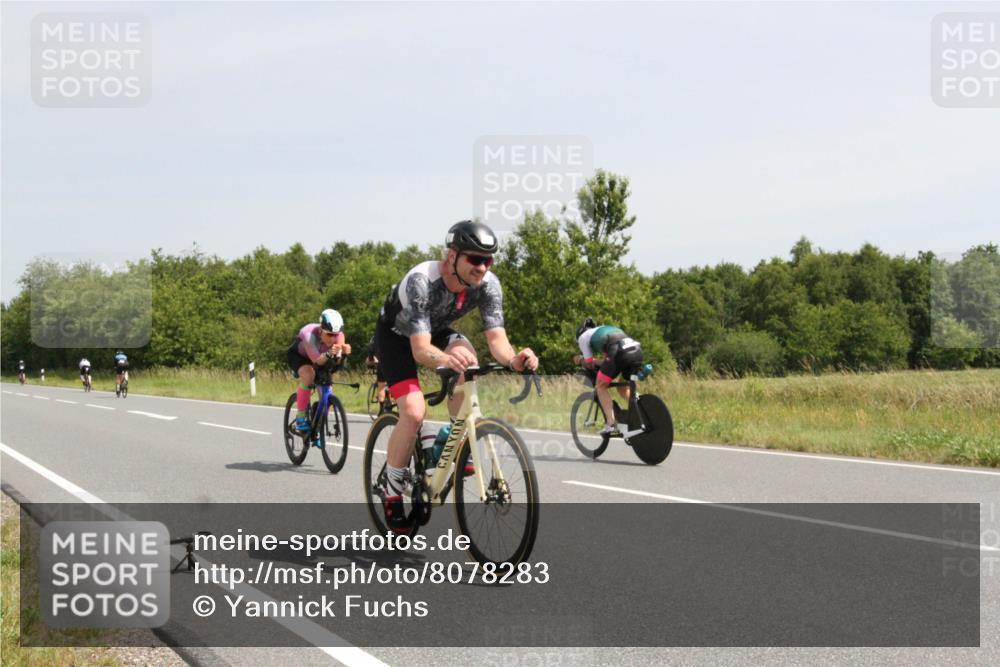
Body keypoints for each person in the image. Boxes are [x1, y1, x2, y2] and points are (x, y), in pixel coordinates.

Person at [373, 220, 538, 533]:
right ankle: (391, 487)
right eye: (475, 259)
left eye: (488, 260)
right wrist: (448, 358)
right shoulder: (423, 281)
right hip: (396, 337)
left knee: (469, 360)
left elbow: (497, 340)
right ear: (452, 256)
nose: (482, 267)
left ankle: (450, 439)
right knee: (413, 411)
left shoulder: (488, 284)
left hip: (436, 330)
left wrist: (515, 359)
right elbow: (420, 349)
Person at [573, 318, 644, 437]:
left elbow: (589, 363)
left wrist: (580, 359)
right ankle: (643, 409)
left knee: (601, 386)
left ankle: (611, 424)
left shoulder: (582, 337)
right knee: (623, 388)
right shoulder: (605, 331)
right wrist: (596, 361)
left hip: (618, 353)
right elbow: (608, 362)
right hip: (636, 351)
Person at [286, 308, 352, 433]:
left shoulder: (339, 335)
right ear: (321, 330)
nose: (333, 339)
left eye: (335, 335)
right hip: (301, 356)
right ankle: (300, 418)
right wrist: (328, 354)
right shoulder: (308, 334)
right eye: (329, 334)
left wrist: (343, 354)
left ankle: (318, 424)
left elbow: (336, 362)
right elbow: (316, 361)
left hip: (322, 356)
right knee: (309, 376)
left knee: (327, 391)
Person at [365, 335, 388, 408]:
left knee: (381, 386)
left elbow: (370, 352)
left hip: (382, 363)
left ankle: (382, 410)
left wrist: (371, 360)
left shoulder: (376, 338)